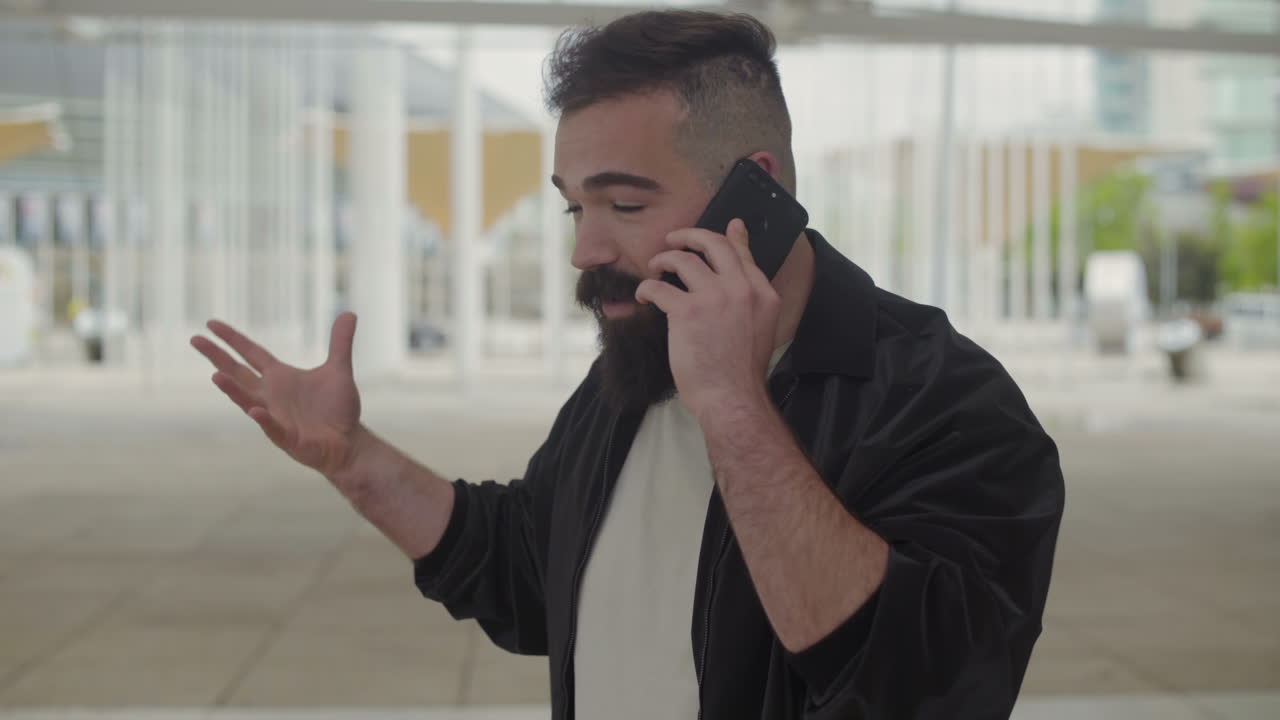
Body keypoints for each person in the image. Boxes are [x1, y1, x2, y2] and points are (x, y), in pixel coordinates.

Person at [192, 10, 1064, 720]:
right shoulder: (633, 376)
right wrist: (356, 461)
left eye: (624, 201)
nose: (586, 248)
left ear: (754, 189)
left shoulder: (947, 403)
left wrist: (731, 403)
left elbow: (917, 689)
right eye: (575, 207)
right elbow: (531, 573)